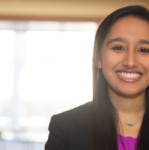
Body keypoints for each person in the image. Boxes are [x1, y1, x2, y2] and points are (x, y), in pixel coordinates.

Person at [45, 5, 149, 150]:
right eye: (118, 47)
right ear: (97, 58)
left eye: (144, 50)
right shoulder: (64, 127)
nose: (130, 62)